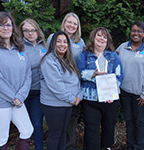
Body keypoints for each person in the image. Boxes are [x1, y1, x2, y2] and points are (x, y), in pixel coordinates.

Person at [0, 11, 33, 150]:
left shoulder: (19, 48)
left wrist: (20, 96)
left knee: (27, 130)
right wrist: (13, 96)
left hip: (17, 100)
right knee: (2, 137)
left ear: (13, 27)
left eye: (8, 25)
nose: (5, 28)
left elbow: (27, 75)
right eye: (1, 25)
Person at [77, 27, 123, 150]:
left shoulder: (113, 56)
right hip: (91, 99)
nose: (101, 38)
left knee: (108, 128)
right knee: (91, 129)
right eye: (99, 35)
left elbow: (119, 76)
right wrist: (93, 74)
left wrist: (110, 94)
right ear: (93, 37)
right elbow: (79, 73)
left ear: (107, 41)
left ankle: (106, 147)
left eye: (104, 37)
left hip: (110, 100)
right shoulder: (84, 55)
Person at [47, 12, 85, 149]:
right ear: (64, 22)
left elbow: (83, 62)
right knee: (58, 128)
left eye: (75, 23)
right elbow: (48, 60)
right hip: (58, 88)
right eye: (69, 22)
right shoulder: (53, 37)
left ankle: (69, 146)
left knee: (71, 121)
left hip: (74, 87)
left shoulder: (80, 42)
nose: (72, 25)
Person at [39, 30, 82, 150]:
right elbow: (56, 86)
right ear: (53, 43)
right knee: (55, 133)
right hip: (54, 104)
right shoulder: (49, 60)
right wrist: (72, 99)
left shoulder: (69, 60)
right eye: (58, 41)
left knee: (63, 133)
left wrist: (79, 96)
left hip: (68, 104)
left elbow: (76, 80)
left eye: (65, 42)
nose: (62, 44)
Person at [116, 21, 144, 150]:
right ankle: (130, 145)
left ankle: (138, 146)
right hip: (125, 92)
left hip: (140, 94)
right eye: (133, 30)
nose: (136, 33)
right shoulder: (122, 47)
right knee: (129, 121)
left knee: (138, 121)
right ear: (130, 32)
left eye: (139, 31)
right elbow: (112, 63)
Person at [19, 18, 47, 150]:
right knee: (24, 126)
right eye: (26, 30)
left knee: (36, 124)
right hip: (22, 93)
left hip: (39, 92)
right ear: (22, 32)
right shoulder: (19, 47)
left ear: (37, 30)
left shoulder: (45, 46)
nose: (30, 33)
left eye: (33, 30)